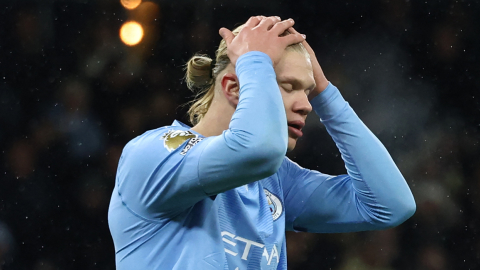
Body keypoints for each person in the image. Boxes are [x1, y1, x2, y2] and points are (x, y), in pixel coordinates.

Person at [108, 16, 416, 270]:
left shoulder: (274, 179)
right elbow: (257, 150)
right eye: (288, 86)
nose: (306, 106)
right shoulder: (153, 155)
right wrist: (255, 63)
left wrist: (326, 95)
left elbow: (390, 205)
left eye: (307, 93)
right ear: (234, 88)